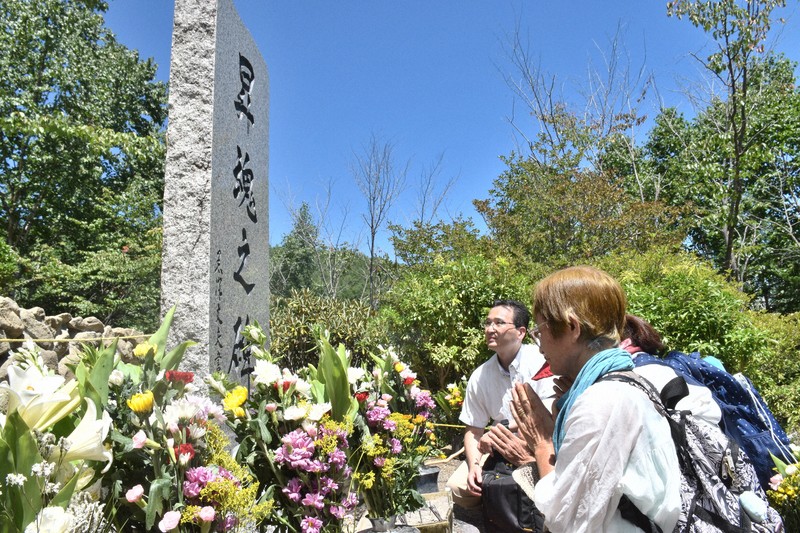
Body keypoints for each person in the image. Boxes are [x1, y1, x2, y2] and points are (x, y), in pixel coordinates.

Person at [510, 266, 681, 532]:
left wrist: (543, 443)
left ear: (571, 327)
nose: (539, 345)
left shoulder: (601, 402)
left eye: (540, 330)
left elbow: (568, 522)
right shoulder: (628, 379)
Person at [445, 299, 555, 508]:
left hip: (540, 442)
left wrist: (499, 431)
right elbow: (474, 429)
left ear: (521, 332)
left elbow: (548, 415)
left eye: (498, 323)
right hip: (498, 449)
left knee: (543, 488)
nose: (490, 329)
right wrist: (474, 465)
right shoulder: (480, 376)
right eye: (487, 323)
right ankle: (498, 509)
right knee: (457, 487)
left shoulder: (542, 361)